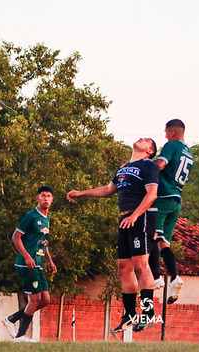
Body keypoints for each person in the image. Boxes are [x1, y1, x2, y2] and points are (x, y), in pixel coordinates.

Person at [66, 138, 159, 333]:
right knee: (124, 266)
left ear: (150, 151)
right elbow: (108, 189)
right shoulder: (123, 169)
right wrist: (81, 193)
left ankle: (148, 311)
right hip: (124, 219)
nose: (141, 138)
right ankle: (129, 314)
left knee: (141, 264)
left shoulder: (148, 165)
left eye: (146, 140)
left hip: (140, 217)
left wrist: (135, 215)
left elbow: (151, 195)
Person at [1, 186, 57, 343]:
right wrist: (26, 256)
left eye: (49, 196)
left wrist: (50, 261)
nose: (46, 198)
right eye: (43, 196)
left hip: (38, 264)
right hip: (26, 264)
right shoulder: (31, 216)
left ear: (52, 200)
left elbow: (43, 243)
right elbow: (15, 237)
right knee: (34, 300)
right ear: (37, 199)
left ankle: (11, 319)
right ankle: (20, 336)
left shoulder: (47, 218)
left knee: (45, 299)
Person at [148, 119, 194, 304]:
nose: (165, 135)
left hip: (163, 196)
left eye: (166, 132)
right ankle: (175, 277)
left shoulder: (171, 145)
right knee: (163, 241)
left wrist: (141, 165)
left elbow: (160, 164)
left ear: (172, 132)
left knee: (150, 235)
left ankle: (156, 277)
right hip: (176, 198)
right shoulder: (189, 152)